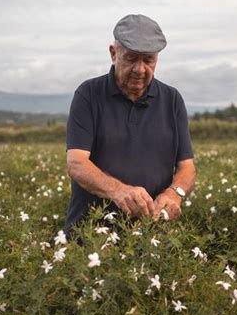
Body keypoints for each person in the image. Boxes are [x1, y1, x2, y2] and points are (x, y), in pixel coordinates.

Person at [64, 13, 196, 238]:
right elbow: (76, 163)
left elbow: (187, 167)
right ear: (113, 53)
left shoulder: (172, 100)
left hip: (151, 237)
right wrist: (118, 191)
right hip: (91, 236)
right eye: (132, 58)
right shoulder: (88, 94)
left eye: (148, 60)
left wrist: (175, 193)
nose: (140, 69)